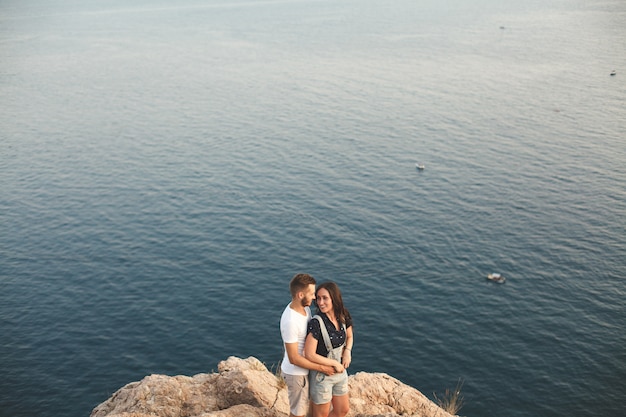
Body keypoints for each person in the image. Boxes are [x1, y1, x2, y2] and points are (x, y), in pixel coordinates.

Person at [280, 274, 338, 417]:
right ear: (300, 295)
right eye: (312, 294)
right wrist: (322, 367)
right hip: (296, 374)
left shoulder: (305, 309)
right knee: (298, 413)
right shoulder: (290, 321)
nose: (314, 298)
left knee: (312, 408)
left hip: (307, 369)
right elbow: (294, 358)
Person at [304, 281, 353, 417]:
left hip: (340, 373)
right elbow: (309, 354)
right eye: (318, 298)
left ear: (334, 298)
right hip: (322, 376)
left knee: (342, 410)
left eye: (325, 298)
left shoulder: (343, 315)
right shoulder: (316, 323)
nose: (320, 302)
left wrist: (347, 351)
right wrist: (334, 363)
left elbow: (349, 336)